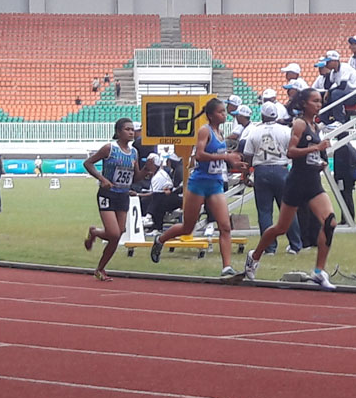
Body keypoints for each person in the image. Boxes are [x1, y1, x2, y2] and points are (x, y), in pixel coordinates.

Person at [244, 88, 338, 290]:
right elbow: (291, 152)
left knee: (330, 222)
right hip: (296, 182)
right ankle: (255, 255)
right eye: (314, 101)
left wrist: (320, 160)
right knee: (281, 228)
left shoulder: (315, 126)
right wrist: (316, 148)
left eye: (320, 101)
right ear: (304, 103)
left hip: (313, 182)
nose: (318, 105)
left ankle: (319, 272)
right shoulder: (299, 124)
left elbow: (314, 153)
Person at [151, 98, 245, 276]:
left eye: (225, 111)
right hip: (199, 183)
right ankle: (161, 239)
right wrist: (226, 158)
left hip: (215, 183)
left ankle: (226, 268)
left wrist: (233, 161)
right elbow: (200, 155)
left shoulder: (220, 132)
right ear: (210, 115)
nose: (224, 114)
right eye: (220, 112)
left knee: (225, 226)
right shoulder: (205, 131)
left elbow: (218, 156)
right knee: (188, 227)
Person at [82, 118, 148, 281]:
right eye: (127, 129)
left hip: (123, 195)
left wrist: (147, 170)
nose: (131, 132)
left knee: (118, 234)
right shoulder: (109, 148)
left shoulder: (134, 153)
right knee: (113, 233)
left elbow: (136, 177)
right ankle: (95, 233)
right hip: (108, 194)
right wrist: (102, 178)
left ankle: (100, 268)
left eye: (133, 129)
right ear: (118, 132)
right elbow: (88, 163)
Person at [242, 101, 302, 255]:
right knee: (287, 209)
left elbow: (248, 156)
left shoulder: (254, 131)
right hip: (281, 169)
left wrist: (246, 174)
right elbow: (293, 150)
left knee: (264, 211)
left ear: (262, 115)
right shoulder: (285, 131)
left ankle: (269, 248)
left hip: (261, 170)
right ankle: (295, 245)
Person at [322, 50, 356, 124]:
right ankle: (325, 120)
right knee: (326, 95)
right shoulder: (333, 72)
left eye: (328, 62)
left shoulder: (344, 67)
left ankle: (339, 120)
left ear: (335, 61)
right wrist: (327, 74)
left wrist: (329, 92)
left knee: (335, 94)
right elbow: (327, 86)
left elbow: (342, 86)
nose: (326, 64)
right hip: (348, 94)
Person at [331, 127, 356, 225]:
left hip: (343, 178)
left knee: (345, 197)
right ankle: (348, 217)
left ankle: (347, 218)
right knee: (348, 197)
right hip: (349, 177)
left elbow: (339, 165)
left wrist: (336, 178)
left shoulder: (341, 148)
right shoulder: (350, 147)